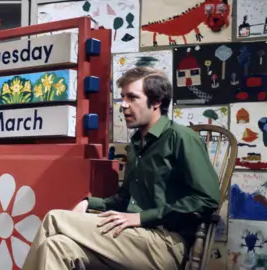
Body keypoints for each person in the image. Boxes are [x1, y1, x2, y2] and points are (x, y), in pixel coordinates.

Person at [22, 67, 220, 270]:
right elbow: (125, 198)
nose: (123, 105)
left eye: (132, 98)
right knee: (56, 246)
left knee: (54, 218)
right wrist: (89, 202)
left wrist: (141, 217)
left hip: (164, 243)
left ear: (157, 102)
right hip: (131, 238)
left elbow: (208, 199)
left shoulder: (181, 138)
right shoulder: (136, 146)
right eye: (123, 98)